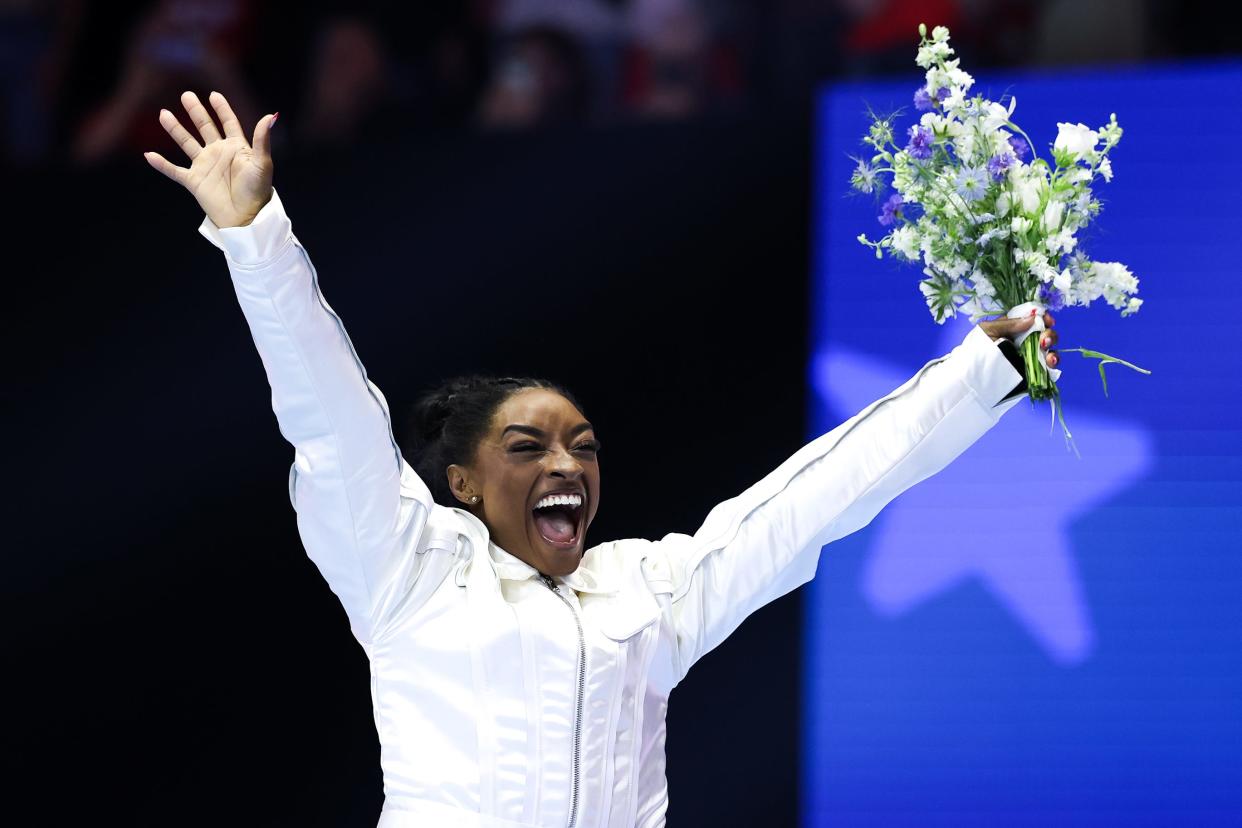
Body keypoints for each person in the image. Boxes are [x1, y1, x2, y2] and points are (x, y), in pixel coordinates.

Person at [144, 91, 1059, 828]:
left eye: (584, 447)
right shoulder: (405, 570)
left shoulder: (648, 590)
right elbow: (330, 416)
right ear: (460, 482)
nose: (567, 466)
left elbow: (818, 498)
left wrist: (986, 369)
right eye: (529, 447)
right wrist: (257, 239)